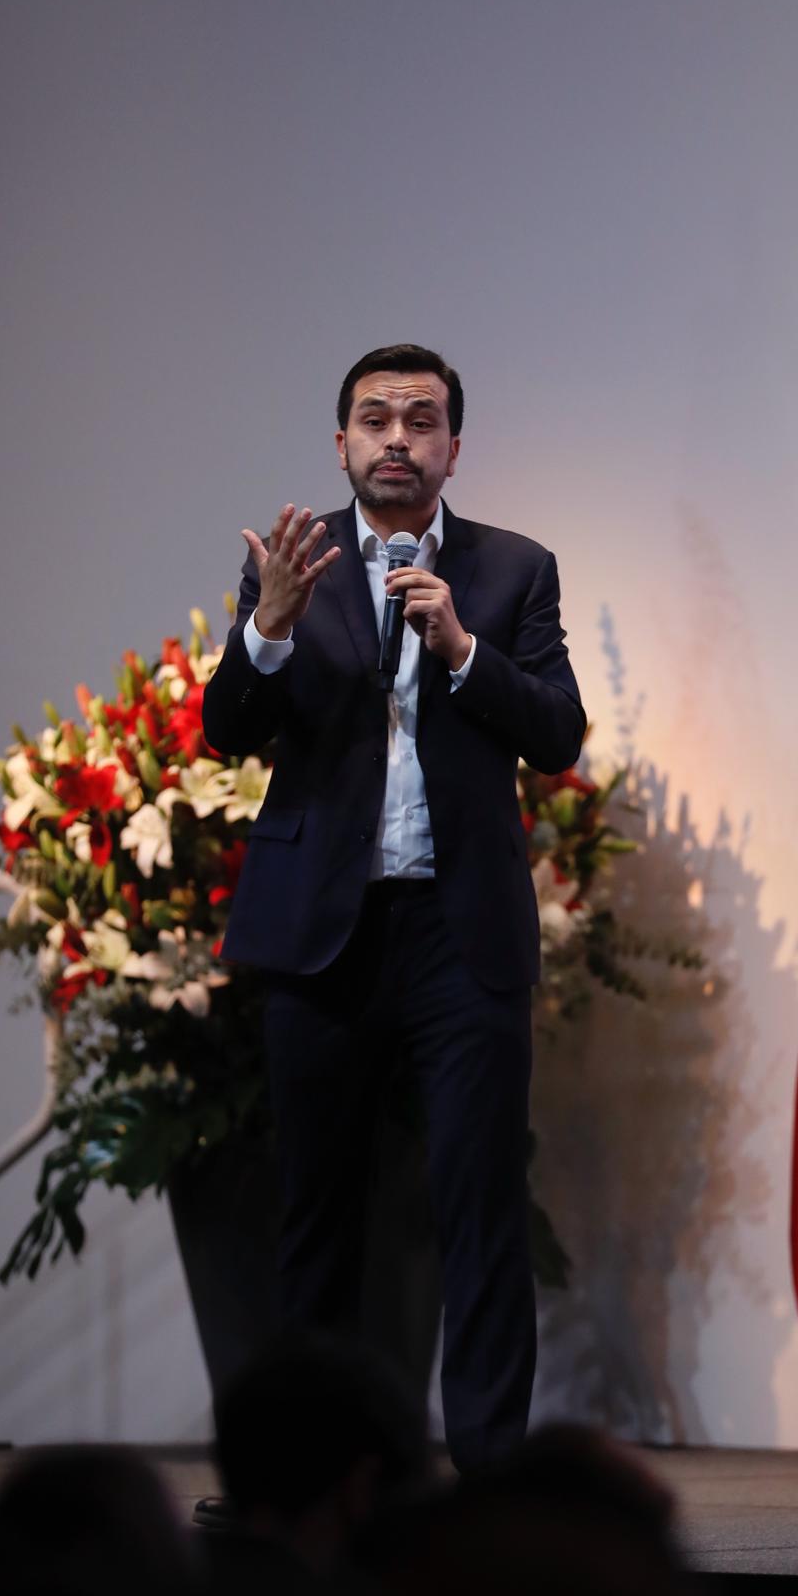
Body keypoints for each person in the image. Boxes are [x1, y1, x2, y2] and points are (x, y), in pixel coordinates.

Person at [202, 344, 585, 1474]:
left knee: (477, 1213)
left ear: (453, 448)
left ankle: (489, 1479)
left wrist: (462, 648)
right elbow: (229, 725)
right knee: (315, 1216)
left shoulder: (513, 570)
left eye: (421, 421)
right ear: (340, 444)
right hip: (324, 934)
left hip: (457, 942)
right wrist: (267, 625)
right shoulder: (291, 562)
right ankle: (311, 1479)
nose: (397, 440)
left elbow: (558, 734)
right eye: (375, 420)